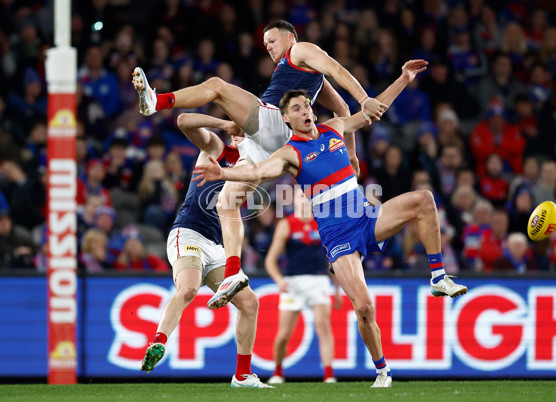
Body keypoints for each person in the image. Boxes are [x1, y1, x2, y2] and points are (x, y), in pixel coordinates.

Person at [193, 60, 468, 388]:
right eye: (297, 108)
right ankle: (382, 370)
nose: (306, 110)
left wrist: (403, 78)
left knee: (424, 199)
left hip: (365, 217)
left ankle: (438, 276)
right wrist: (223, 173)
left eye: (307, 104)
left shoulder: (335, 127)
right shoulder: (289, 153)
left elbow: (371, 111)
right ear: (286, 118)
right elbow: (256, 172)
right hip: (338, 236)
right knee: (364, 307)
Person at [133, 20, 387, 309]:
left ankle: (156, 101)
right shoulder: (310, 78)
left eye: (272, 41)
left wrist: (364, 98)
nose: (268, 47)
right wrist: (350, 154)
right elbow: (341, 110)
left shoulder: (302, 50)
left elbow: (337, 69)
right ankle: (233, 273)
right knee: (226, 203)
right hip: (265, 146)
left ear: (290, 39)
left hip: (274, 123)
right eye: (265, 44)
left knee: (217, 86)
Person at [140, 112, 274, 388]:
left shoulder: (252, 168)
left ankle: (242, 376)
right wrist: (225, 124)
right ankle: (158, 342)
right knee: (188, 288)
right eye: (243, 133)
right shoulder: (215, 148)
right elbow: (183, 120)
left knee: (250, 303)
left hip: (216, 246)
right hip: (188, 233)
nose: (245, 137)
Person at [264, 187, 340, 384]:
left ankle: (329, 374)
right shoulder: (287, 224)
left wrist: (338, 289)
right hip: (293, 282)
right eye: (301, 197)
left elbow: (333, 260)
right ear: (294, 200)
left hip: (319, 281)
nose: (305, 201)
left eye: (308, 198)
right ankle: (278, 371)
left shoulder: (322, 223)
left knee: (324, 327)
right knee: (284, 334)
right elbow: (270, 261)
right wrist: (279, 280)